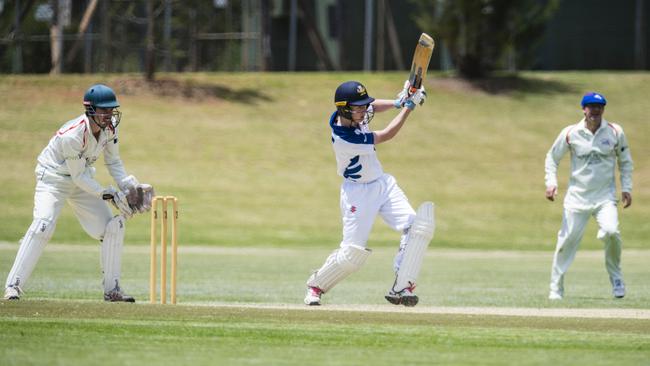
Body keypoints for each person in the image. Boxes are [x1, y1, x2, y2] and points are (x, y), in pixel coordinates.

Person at [3, 84, 154, 302]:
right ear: (90, 109)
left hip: (82, 180)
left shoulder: (110, 128)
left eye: (111, 110)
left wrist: (128, 187)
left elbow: (113, 162)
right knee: (43, 224)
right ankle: (13, 287)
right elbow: (78, 177)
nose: (109, 115)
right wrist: (107, 193)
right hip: (53, 180)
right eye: (104, 110)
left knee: (114, 226)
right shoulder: (72, 136)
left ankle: (112, 291)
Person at [303, 80, 435, 307]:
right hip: (357, 193)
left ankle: (402, 286)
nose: (365, 111)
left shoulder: (353, 112)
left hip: (382, 184)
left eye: (365, 106)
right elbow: (385, 135)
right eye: (359, 108)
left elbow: (374, 106)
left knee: (418, 227)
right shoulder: (345, 137)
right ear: (345, 109)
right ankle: (316, 286)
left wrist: (399, 100)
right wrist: (408, 107)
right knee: (351, 256)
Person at [545, 92, 633, 300]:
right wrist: (551, 183)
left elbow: (625, 161)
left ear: (603, 109)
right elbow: (552, 157)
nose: (595, 110)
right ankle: (556, 288)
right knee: (566, 241)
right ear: (583, 109)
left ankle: (617, 280)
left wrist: (626, 187)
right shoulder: (570, 133)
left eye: (599, 106)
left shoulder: (614, 131)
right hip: (577, 199)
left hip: (605, 198)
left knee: (611, 231)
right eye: (591, 106)